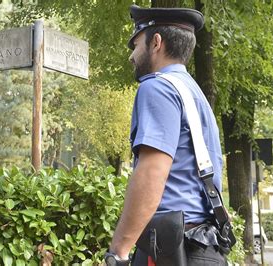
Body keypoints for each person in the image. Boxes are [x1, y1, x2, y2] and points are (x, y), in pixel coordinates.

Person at [105, 5, 228, 266]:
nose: (132, 56)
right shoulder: (195, 95)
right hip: (206, 248)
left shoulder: (157, 87)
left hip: (170, 251)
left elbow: (152, 173)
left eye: (136, 45)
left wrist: (119, 251)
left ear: (156, 42)